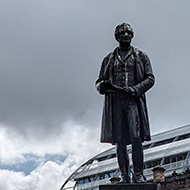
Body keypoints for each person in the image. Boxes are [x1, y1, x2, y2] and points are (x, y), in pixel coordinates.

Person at [95, 23, 155, 183]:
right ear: (116, 37)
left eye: (128, 32)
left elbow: (150, 78)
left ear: (132, 35)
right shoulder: (108, 59)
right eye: (122, 33)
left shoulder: (141, 56)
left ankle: (138, 174)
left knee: (136, 137)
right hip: (115, 103)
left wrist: (136, 89)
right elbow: (99, 82)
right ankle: (125, 176)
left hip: (133, 101)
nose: (126, 35)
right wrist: (103, 87)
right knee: (119, 140)